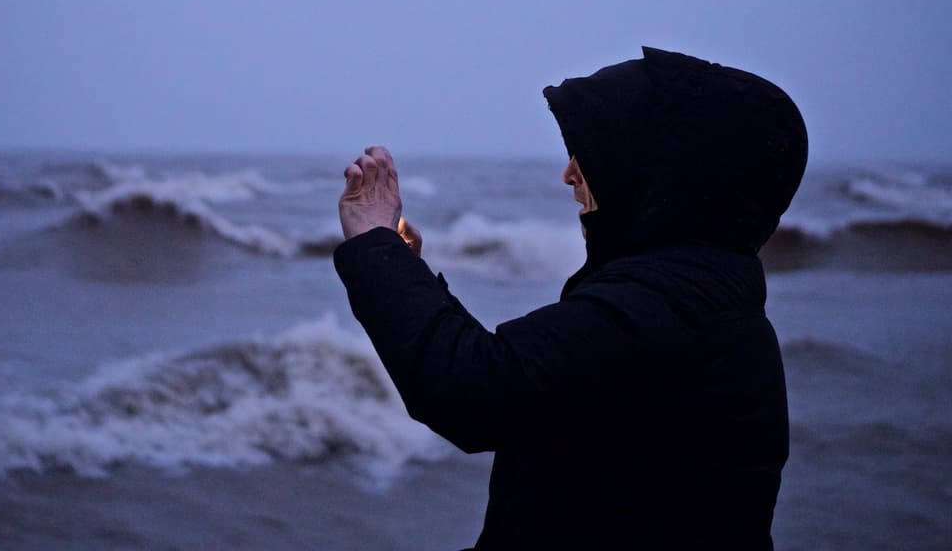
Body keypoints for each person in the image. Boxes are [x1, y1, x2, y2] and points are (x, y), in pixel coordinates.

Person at [333, 46, 808, 549]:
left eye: (600, 149)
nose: (570, 173)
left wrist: (375, 247)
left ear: (663, 170)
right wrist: (404, 265)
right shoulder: (698, 292)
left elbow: (470, 389)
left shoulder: (668, 305)